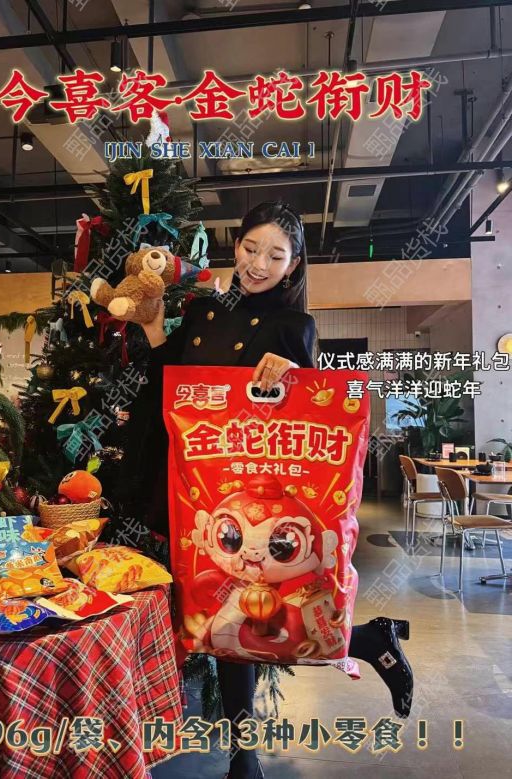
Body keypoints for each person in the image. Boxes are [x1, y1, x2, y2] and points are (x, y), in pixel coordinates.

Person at [123, 201, 413, 779]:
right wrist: (154, 329)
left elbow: (309, 416)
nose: (258, 264)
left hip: (260, 499)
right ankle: (363, 645)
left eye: (275, 256)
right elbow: (170, 384)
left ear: (293, 264)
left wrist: (294, 375)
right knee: (217, 616)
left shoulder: (293, 326)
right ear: (236, 246)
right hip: (201, 482)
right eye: (251, 249)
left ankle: (247, 754)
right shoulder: (204, 311)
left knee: (262, 615)